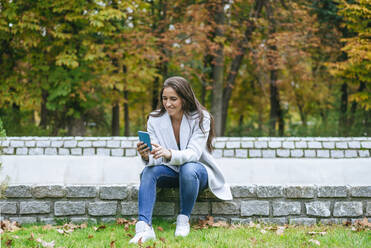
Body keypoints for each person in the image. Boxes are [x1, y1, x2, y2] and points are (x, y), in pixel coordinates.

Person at [130, 76, 232, 244]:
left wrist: (169, 153)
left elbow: (193, 154)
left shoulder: (201, 118)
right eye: (164, 98)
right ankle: (144, 227)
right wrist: (146, 155)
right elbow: (156, 157)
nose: (168, 103)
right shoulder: (154, 119)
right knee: (148, 171)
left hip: (197, 172)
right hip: (170, 170)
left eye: (173, 99)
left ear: (184, 99)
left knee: (188, 168)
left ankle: (183, 220)